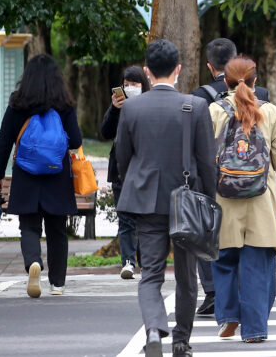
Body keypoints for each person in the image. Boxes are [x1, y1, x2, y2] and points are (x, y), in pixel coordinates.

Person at [116, 39, 217, 357]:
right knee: (187, 278)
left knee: (151, 275)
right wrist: (209, 201)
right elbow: (206, 161)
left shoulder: (131, 107)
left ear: (147, 71)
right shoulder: (195, 106)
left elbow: (123, 158)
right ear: (179, 69)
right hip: (186, 203)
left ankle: (154, 330)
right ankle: (181, 341)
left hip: (146, 201)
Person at [209, 56, 276, 343]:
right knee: (257, 264)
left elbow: (201, 154)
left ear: (225, 81)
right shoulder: (269, 112)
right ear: (255, 81)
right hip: (260, 198)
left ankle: (228, 315)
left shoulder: (214, 111)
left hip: (224, 197)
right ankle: (255, 329)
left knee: (223, 260)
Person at [0, 54, 82, 298]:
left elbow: (4, 142)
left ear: (27, 77)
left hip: (26, 173)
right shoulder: (64, 105)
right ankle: (58, 283)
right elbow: (75, 140)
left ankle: (33, 262)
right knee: (57, 230)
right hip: (57, 175)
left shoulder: (18, 104)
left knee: (29, 226)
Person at [191, 38, 269, 314]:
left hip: (217, 184)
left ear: (211, 67)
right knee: (251, 241)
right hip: (258, 183)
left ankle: (214, 293)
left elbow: (198, 145)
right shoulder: (263, 96)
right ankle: (244, 294)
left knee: (211, 239)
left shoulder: (200, 97)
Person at [100, 65, 149, 280]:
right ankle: (128, 262)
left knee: (146, 218)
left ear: (143, 85)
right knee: (125, 217)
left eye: (134, 85)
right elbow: (104, 132)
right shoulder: (118, 108)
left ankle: (145, 260)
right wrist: (114, 109)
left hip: (146, 169)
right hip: (121, 169)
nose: (129, 89)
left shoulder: (150, 105)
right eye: (126, 85)